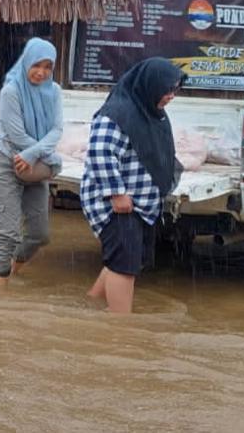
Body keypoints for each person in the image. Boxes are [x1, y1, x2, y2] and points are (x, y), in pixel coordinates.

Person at [82, 58, 184, 314]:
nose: (171, 96)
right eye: (166, 89)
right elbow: (100, 153)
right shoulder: (117, 114)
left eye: (174, 90)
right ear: (149, 86)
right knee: (124, 265)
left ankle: (90, 304)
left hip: (140, 203)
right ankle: (121, 325)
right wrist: (117, 194)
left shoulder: (153, 114)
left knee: (129, 259)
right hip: (117, 203)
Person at [0, 38, 64, 286]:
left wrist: (34, 155)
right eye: (36, 65)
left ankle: (12, 271)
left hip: (34, 163)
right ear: (26, 62)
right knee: (8, 234)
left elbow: (56, 130)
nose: (41, 72)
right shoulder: (11, 91)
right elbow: (16, 135)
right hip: (6, 161)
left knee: (39, 234)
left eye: (47, 67)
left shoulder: (54, 92)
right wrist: (48, 157)